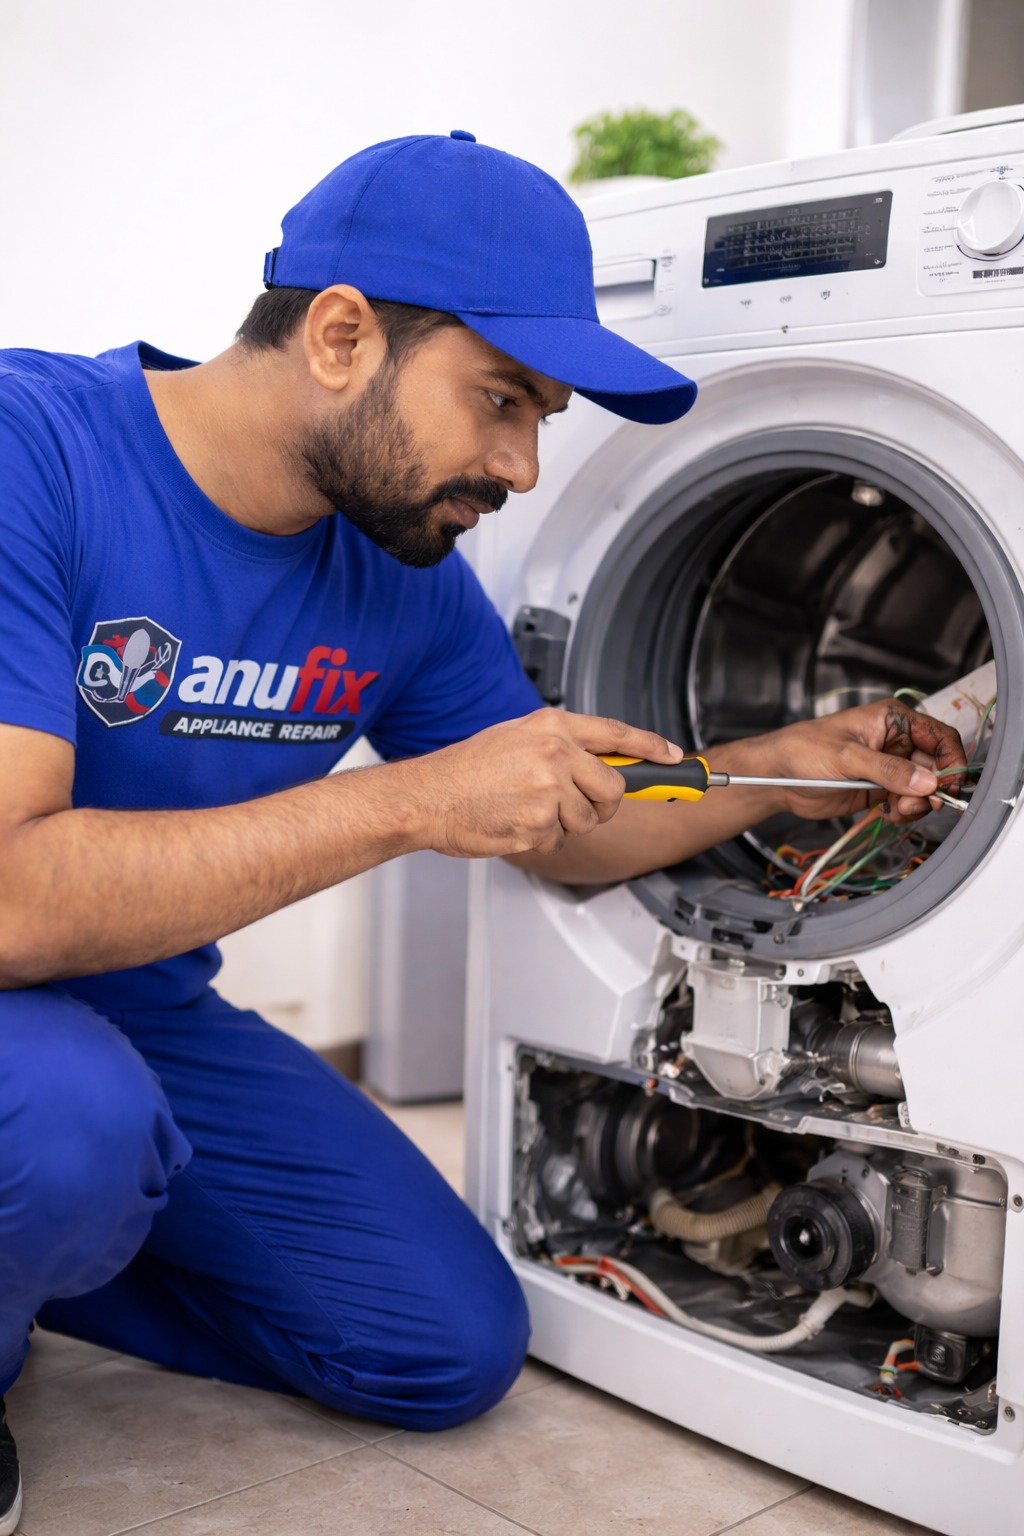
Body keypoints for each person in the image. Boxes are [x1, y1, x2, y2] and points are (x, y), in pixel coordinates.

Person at [0, 130, 965, 1534]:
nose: (518, 464)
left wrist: (779, 763)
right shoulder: (33, 450)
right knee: (70, 1124)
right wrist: (406, 803)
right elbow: (14, 902)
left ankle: (47, 1241)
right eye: (499, 400)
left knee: (441, 1342)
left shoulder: (399, 571)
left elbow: (555, 825)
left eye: (542, 420)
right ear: (341, 336)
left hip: (142, 1007)